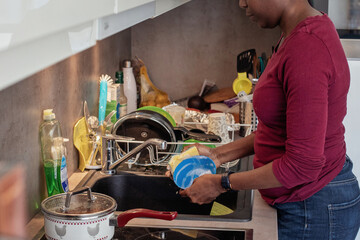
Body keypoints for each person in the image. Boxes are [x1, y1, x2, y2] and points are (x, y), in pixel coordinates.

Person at [174, 0, 360, 239]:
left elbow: (303, 164)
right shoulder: (295, 35)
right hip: (305, 201)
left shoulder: (307, 47)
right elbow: (279, 130)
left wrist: (222, 183)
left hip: (313, 209)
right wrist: (217, 155)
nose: (241, 3)